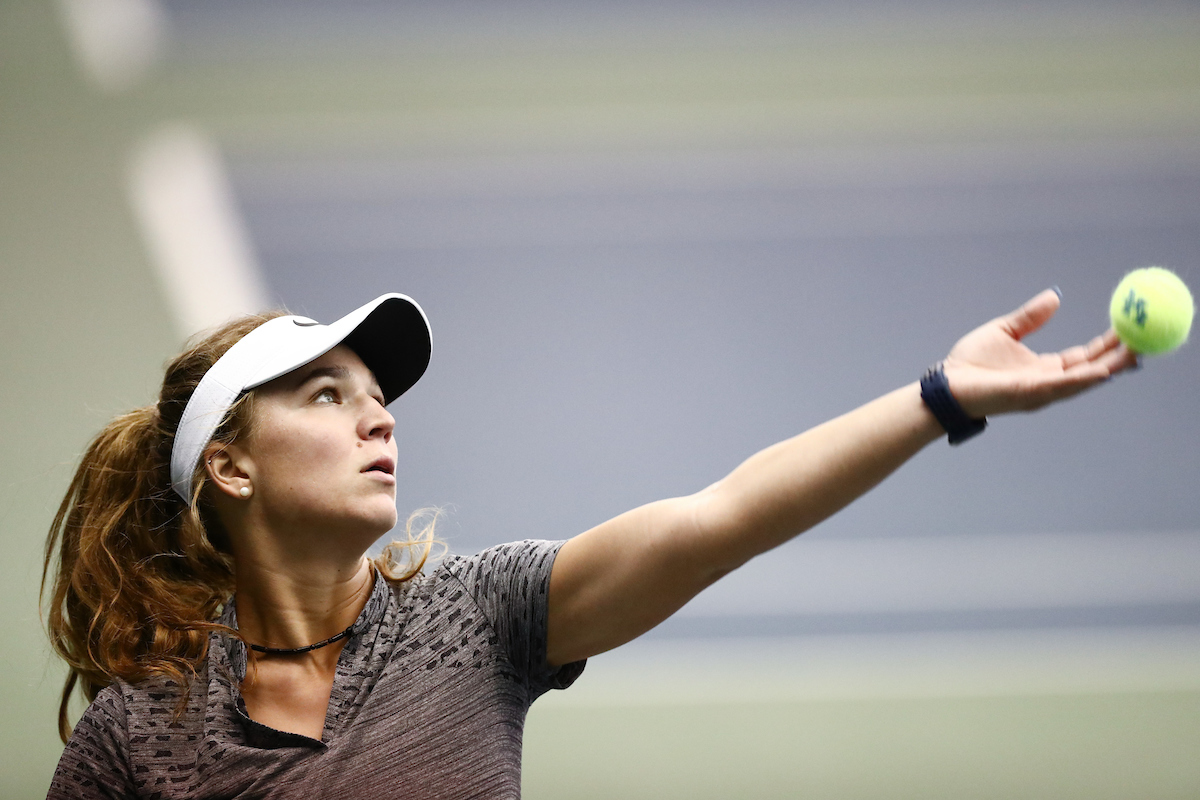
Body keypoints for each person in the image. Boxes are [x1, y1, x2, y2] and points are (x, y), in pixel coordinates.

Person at [43, 288, 1136, 799]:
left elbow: (725, 516)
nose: (377, 417)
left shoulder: (474, 621)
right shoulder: (140, 744)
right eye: (327, 397)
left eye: (377, 396)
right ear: (230, 467)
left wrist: (941, 395)